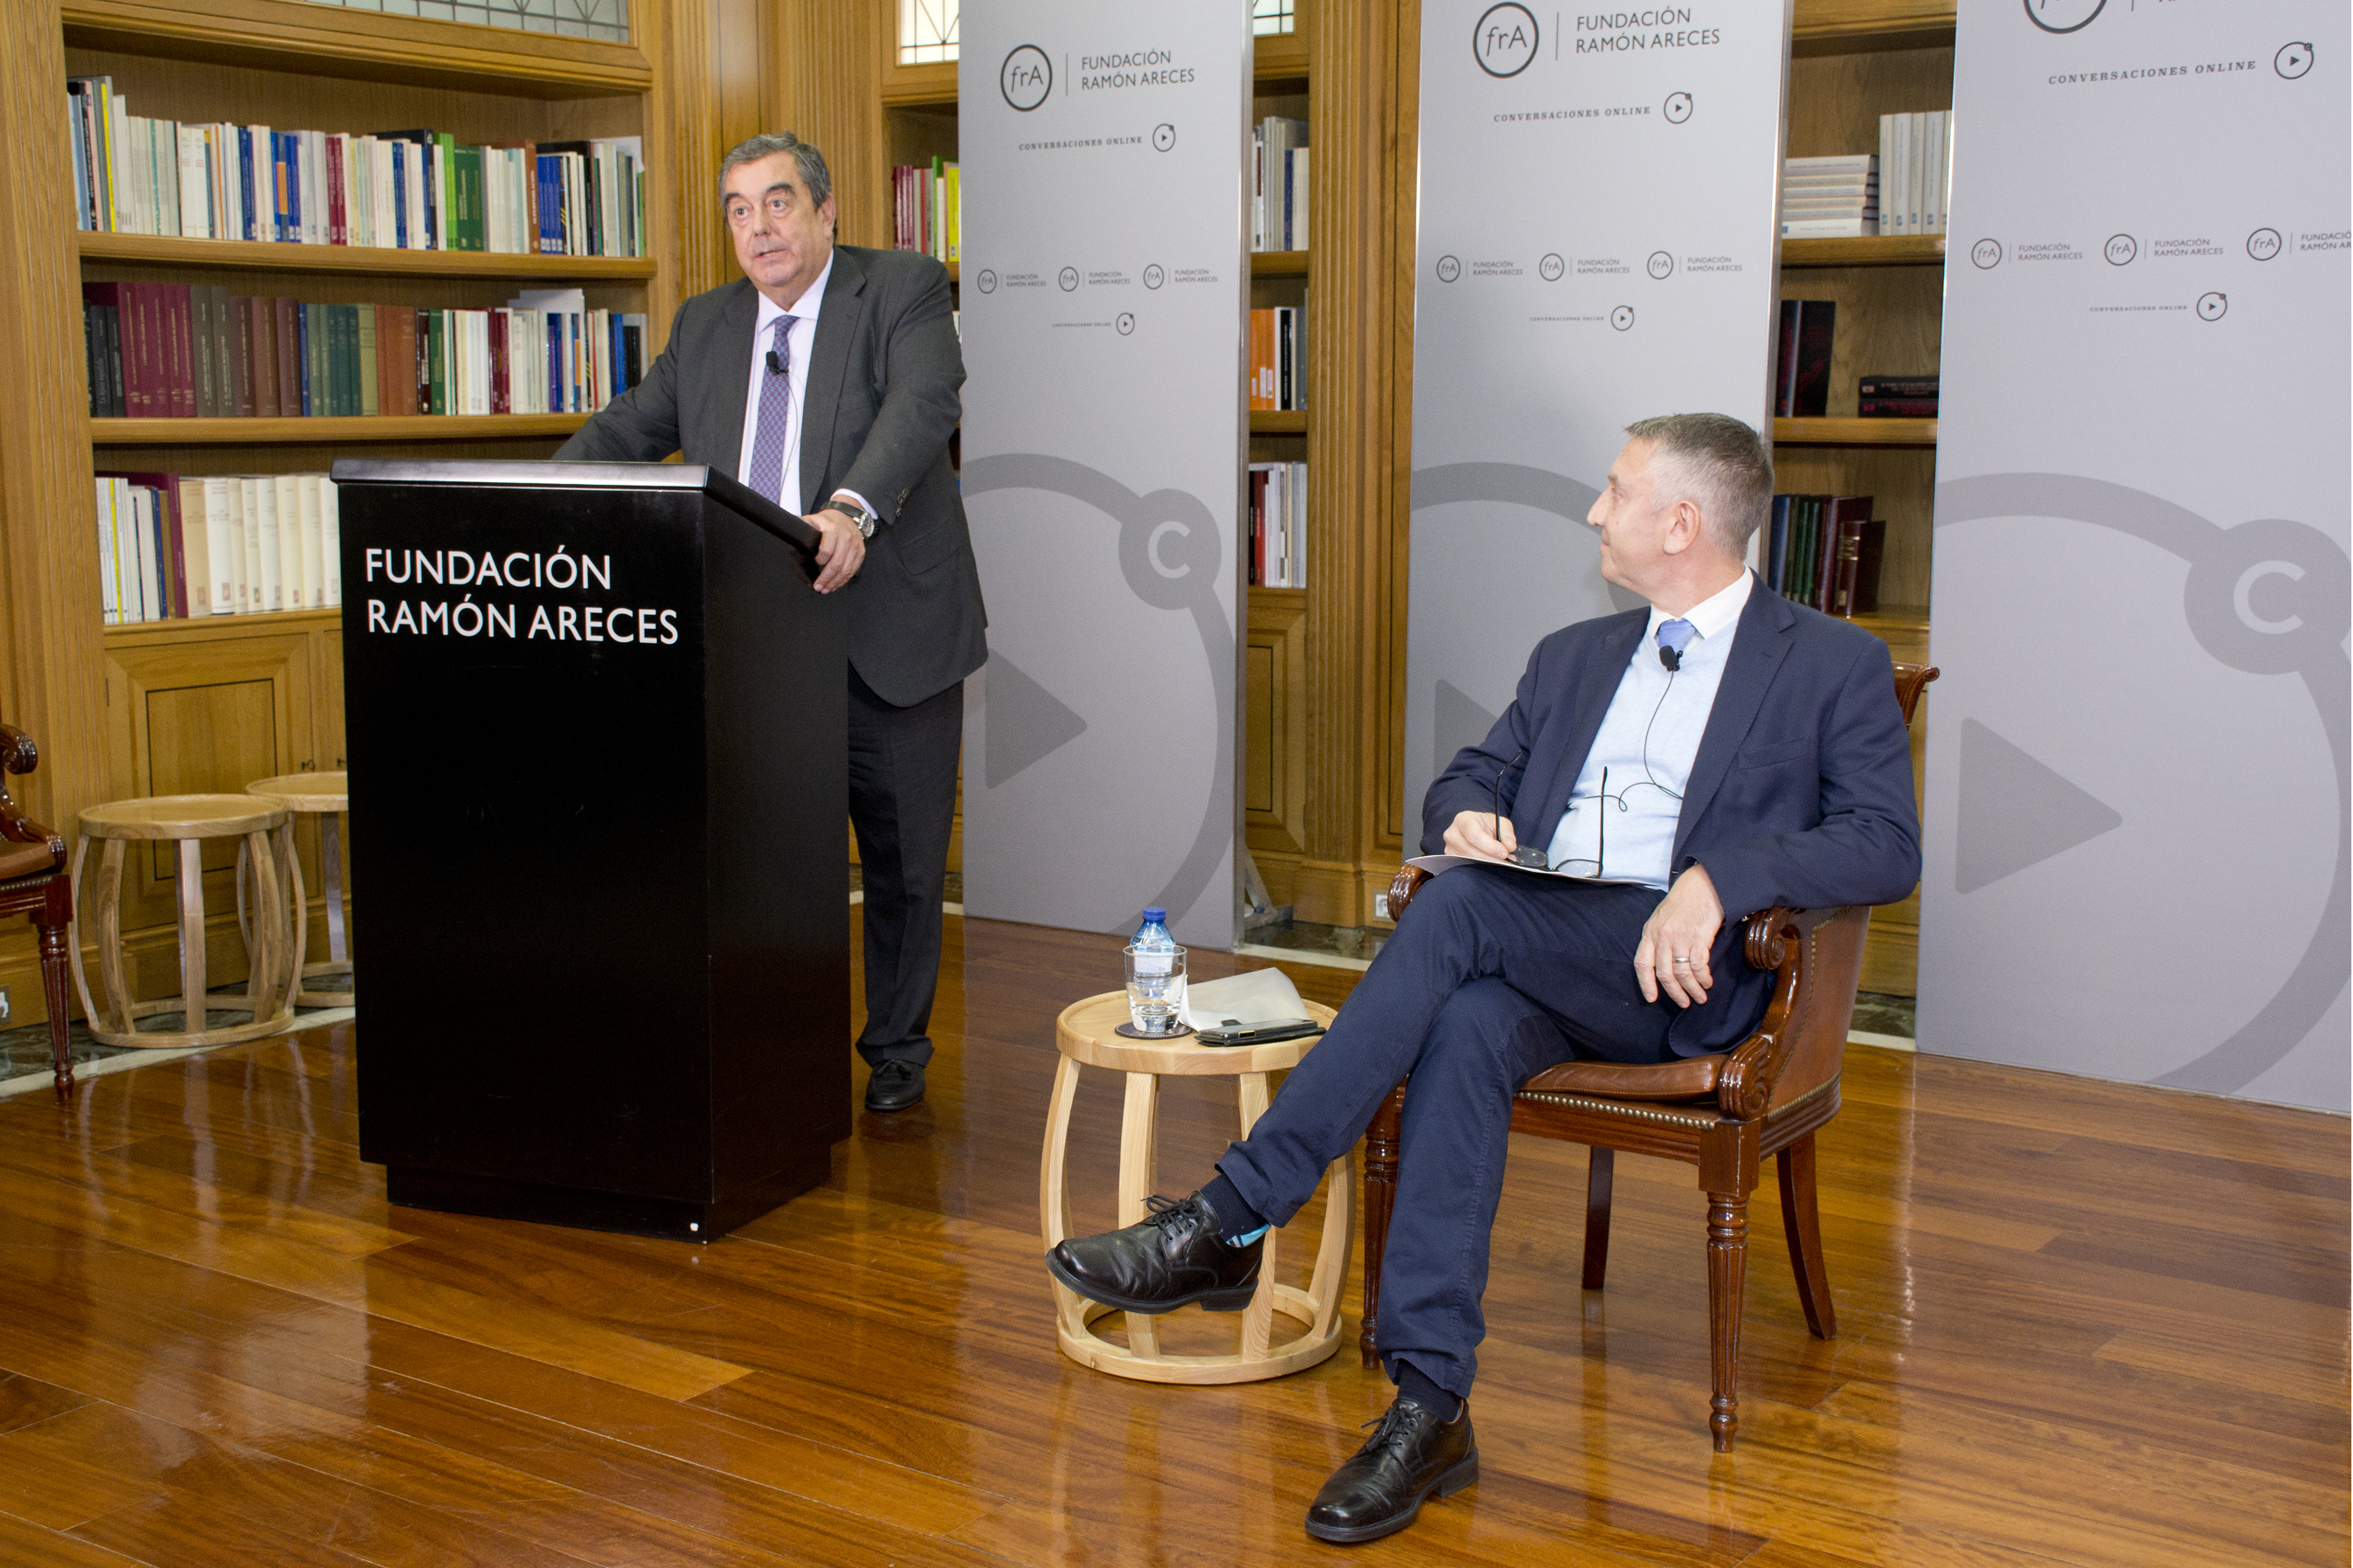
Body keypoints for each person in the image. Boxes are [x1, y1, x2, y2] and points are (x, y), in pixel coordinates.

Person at [1044, 413, 1920, 1544]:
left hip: (1680, 981)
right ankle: (1430, 1406)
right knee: (1464, 1022)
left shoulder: (1830, 662)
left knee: (1456, 912)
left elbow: (1883, 842)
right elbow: (1471, 772)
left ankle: (1230, 1215)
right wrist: (1463, 814)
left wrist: (1720, 877)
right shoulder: (1575, 655)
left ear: (1682, 522)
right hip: (1543, 952)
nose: (1595, 510)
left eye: (1616, 491)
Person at [557, 132, 986, 1114]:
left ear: (826, 211)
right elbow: (631, 427)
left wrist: (852, 511)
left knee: (903, 864)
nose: (760, 228)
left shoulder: (902, 288)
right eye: (740, 210)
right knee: (764, 864)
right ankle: (775, 1040)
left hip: (889, 630)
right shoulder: (707, 324)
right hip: (756, 645)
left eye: (779, 202)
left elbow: (923, 404)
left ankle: (896, 1048)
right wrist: (530, 495)